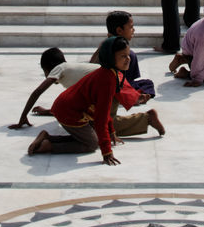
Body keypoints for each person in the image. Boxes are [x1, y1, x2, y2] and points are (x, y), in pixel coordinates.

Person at [27, 37, 165, 163]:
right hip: (69, 112)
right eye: (123, 56)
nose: (128, 59)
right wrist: (107, 152)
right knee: (92, 144)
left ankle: (47, 137)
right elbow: (101, 117)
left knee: (93, 137)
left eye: (128, 55)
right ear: (111, 58)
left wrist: (111, 132)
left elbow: (104, 111)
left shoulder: (111, 73)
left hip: (73, 108)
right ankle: (49, 145)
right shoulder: (107, 79)